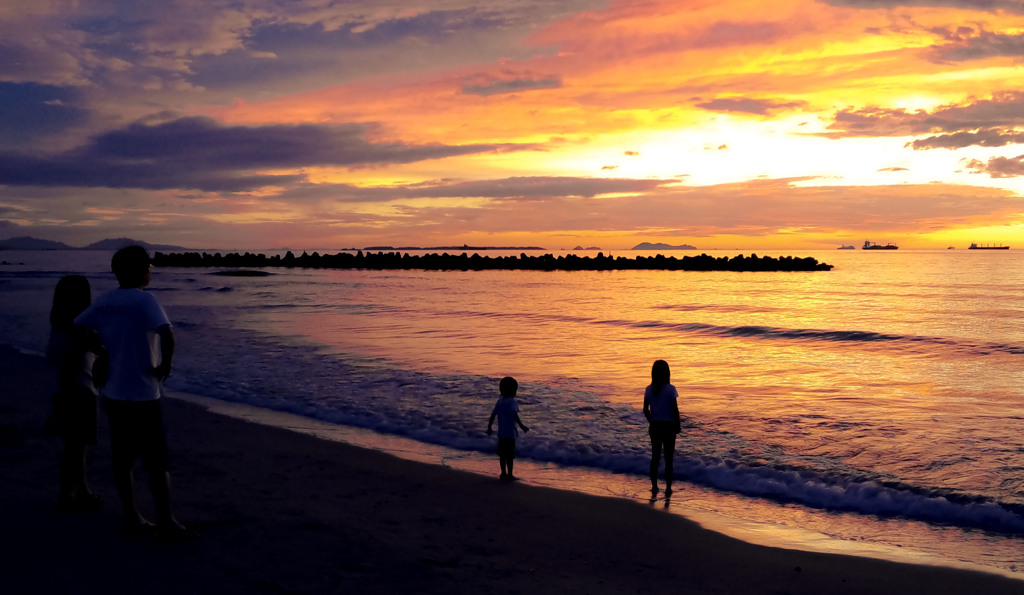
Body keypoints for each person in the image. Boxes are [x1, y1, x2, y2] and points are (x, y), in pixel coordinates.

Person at [75, 245, 190, 539]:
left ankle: (133, 516)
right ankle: (165, 521)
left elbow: (76, 328)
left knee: (122, 458)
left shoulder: (105, 301)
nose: (150, 272)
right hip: (142, 393)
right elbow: (166, 332)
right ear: (143, 272)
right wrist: (165, 363)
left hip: (113, 393)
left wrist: (100, 350)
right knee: (156, 461)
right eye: (149, 268)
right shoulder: (144, 300)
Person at [46, 275, 105, 512]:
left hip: (67, 391)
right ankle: (67, 495)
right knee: (75, 448)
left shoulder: (59, 326)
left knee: (75, 447)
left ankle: (81, 491)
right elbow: (99, 349)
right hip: (79, 392)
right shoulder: (79, 330)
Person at [643, 359, 681, 496]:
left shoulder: (649, 389)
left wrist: (652, 421)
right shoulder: (671, 389)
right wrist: (678, 425)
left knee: (655, 457)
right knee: (668, 459)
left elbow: (645, 410)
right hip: (669, 426)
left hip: (655, 426)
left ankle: (654, 486)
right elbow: (675, 410)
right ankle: (668, 488)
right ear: (667, 373)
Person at [486, 376, 529, 480]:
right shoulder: (512, 402)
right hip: (510, 434)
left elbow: (493, 415)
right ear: (513, 391)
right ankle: (510, 474)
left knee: (502, 455)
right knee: (509, 456)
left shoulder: (500, 401)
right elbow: (514, 414)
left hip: (501, 433)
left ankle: (503, 473)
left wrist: (489, 427)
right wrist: (522, 426)